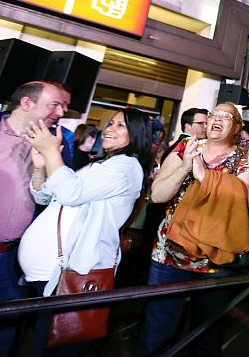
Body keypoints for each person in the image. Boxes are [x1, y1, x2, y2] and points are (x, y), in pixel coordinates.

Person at [19, 108, 151, 352]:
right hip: (50, 275)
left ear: (136, 135)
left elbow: (70, 193)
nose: (110, 128)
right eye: (111, 123)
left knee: (56, 343)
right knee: (40, 341)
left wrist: (50, 151)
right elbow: (45, 196)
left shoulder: (126, 166)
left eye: (121, 125)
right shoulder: (100, 165)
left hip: (73, 273)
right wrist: (40, 166)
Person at [134, 102, 249, 357]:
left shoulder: (244, 156)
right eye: (214, 114)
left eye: (227, 116)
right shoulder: (186, 147)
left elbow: (244, 198)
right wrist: (185, 167)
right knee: (157, 329)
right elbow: (157, 195)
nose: (218, 119)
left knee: (206, 333)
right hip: (169, 254)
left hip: (214, 259)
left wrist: (206, 177)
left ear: (236, 127)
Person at [0, 80, 72, 356]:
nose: (61, 112)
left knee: (1, 338)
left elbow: (57, 200)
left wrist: (51, 161)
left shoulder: (57, 146)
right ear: (27, 103)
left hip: (12, 260)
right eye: (54, 105)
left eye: (63, 106)